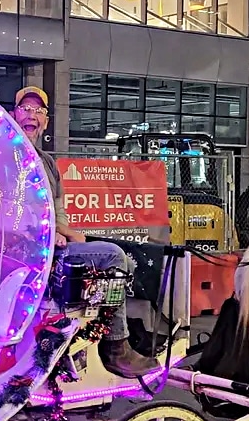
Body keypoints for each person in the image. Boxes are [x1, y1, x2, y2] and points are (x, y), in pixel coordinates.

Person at [12, 86, 156, 378]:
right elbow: (21, 213)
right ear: (14, 114)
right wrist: (60, 231)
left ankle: (99, 331)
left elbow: (57, 207)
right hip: (27, 254)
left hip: (51, 247)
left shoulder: (47, 162)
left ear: (46, 121)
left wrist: (62, 230)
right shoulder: (10, 157)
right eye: (26, 109)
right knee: (114, 256)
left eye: (38, 111)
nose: (32, 115)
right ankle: (116, 347)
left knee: (124, 262)